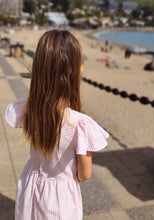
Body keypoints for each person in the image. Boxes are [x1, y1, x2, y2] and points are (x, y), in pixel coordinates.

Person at [5, 29, 109, 220]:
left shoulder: (29, 109)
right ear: (76, 70)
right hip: (60, 197)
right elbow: (84, 174)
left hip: (29, 184)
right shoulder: (79, 124)